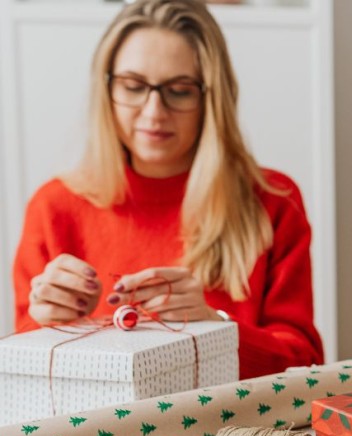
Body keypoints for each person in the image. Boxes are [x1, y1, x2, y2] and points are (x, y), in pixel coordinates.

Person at [13, 0, 323, 380]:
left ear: (212, 98)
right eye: (133, 86)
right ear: (106, 89)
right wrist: (46, 326)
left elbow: (305, 364)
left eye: (179, 91)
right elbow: (22, 377)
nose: (154, 111)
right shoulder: (54, 206)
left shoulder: (274, 200)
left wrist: (214, 329)